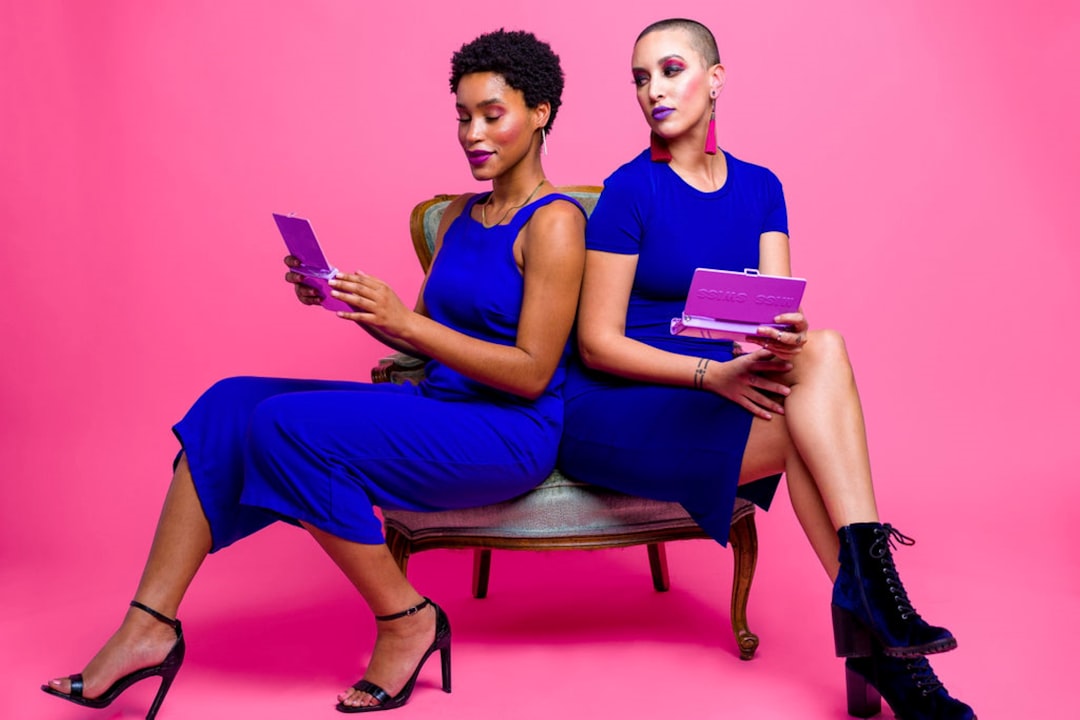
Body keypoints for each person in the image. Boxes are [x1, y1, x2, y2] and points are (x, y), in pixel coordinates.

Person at [42, 28, 585, 717]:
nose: (472, 133)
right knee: (228, 404)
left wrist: (407, 319)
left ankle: (406, 618)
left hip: (509, 432)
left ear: (539, 113)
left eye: (491, 114)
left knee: (285, 427)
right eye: (462, 115)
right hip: (437, 403)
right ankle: (148, 626)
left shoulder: (556, 223)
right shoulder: (455, 216)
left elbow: (533, 373)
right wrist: (349, 303)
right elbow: (421, 343)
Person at [556, 18, 975, 720]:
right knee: (816, 416)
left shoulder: (761, 188)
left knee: (823, 346)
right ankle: (884, 626)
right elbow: (596, 343)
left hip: (723, 387)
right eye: (640, 78)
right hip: (621, 405)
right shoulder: (630, 191)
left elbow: (773, 322)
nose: (652, 90)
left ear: (715, 79)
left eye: (670, 69)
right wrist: (708, 376)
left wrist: (784, 338)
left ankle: (878, 626)